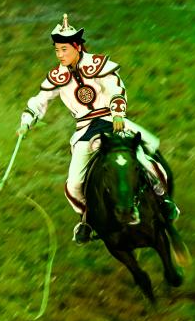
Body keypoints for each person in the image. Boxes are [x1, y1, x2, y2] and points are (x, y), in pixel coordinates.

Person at [17, 14, 180, 244]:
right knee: (74, 183)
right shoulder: (57, 76)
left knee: (142, 159)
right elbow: (40, 100)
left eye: (64, 49)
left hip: (112, 121)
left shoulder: (98, 65)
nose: (60, 55)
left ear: (77, 47)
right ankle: (87, 218)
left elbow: (115, 88)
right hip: (85, 130)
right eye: (57, 50)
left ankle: (163, 200)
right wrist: (27, 121)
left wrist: (117, 112)